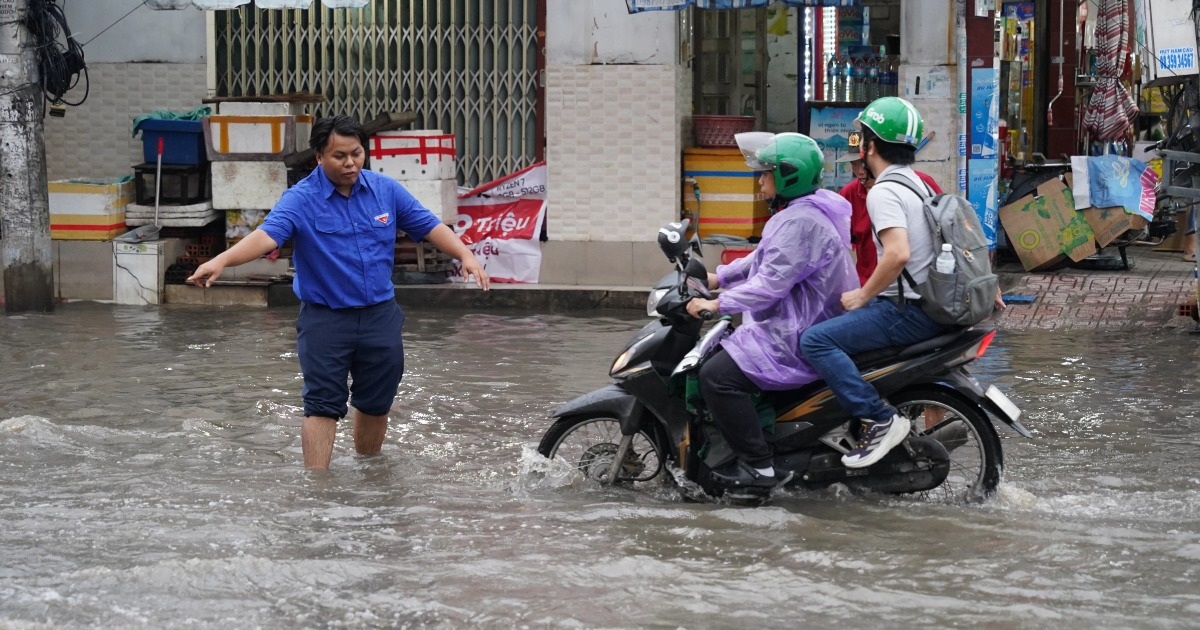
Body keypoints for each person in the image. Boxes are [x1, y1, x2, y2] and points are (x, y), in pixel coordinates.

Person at [187, 115, 490, 470]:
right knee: (322, 404)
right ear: (319, 157)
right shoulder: (300, 199)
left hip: (380, 316)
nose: (350, 164)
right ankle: (318, 489)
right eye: (339, 156)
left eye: (357, 154)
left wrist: (465, 254)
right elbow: (267, 236)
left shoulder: (385, 190)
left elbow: (429, 225)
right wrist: (221, 261)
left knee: (376, 402)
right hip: (325, 320)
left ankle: (369, 473)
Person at [685, 132, 858, 493]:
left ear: (787, 176)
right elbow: (764, 259)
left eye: (765, 174)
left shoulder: (801, 222)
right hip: (792, 323)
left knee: (716, 377)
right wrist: (720, 277)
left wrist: (717, 304)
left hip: (795, 333)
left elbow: (770, 286)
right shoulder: (802, 213)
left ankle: (758, 467)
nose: (759, 181)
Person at [800, 96, 960, 469]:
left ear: (870, 146)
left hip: (907, 309)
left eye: (862, 141)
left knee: (815, 339)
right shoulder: (919, 184)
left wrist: (861, 295)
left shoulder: (884, 190)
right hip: (931, 303)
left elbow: (897, 254)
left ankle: (880, 418)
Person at [836, 151, 943, 287]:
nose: (859, 172)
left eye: (863, 164)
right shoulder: (848, 194)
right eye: (854, 165)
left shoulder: (920, 183)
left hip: (917, 289)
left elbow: (944, 224)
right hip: (869, 286)